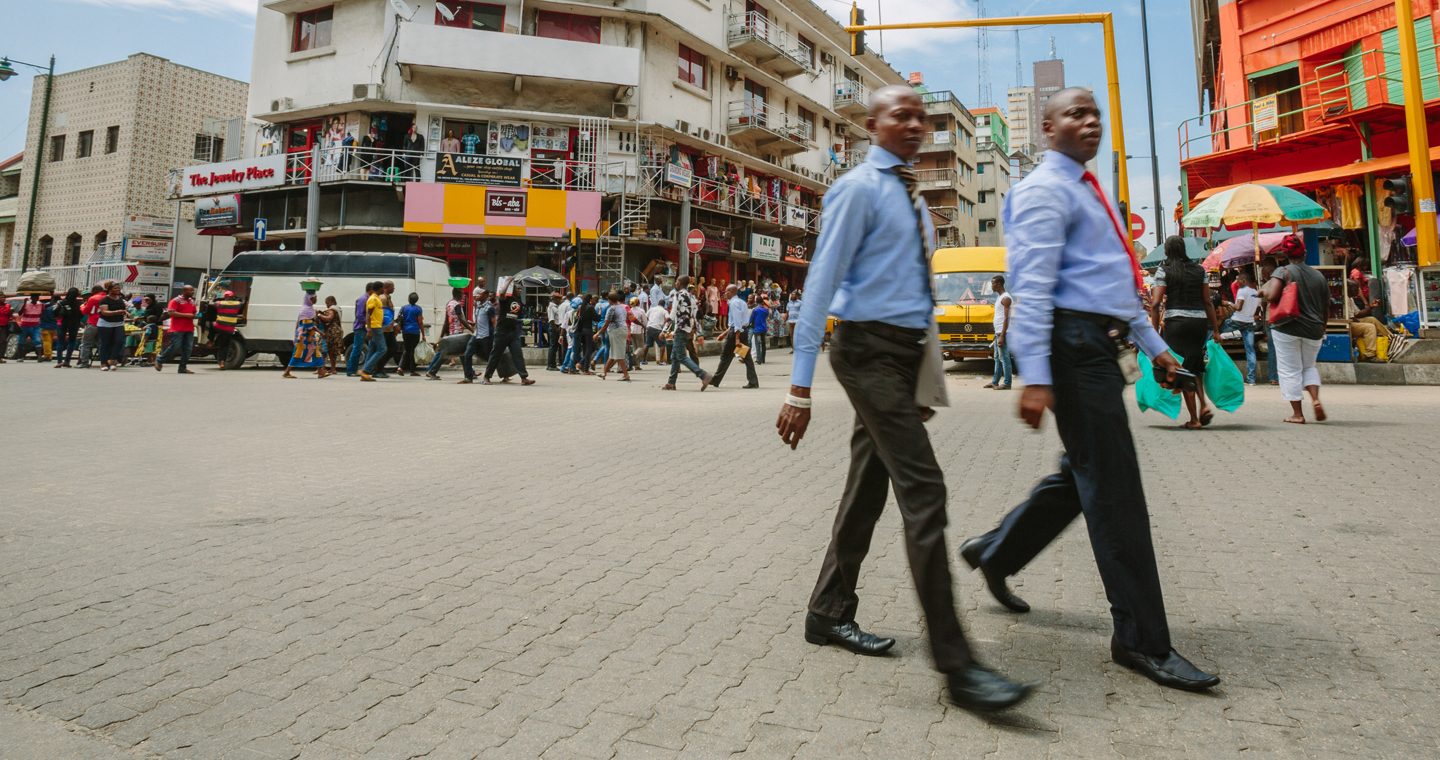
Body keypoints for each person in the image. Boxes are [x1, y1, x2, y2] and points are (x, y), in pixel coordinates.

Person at [775, 85, 1030, 712]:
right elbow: (819, 289)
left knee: (869, 484)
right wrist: (798, 388)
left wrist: (924, 376)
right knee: (926, 491)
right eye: (901, 116)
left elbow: (915, 294)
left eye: (921, 117)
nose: (914, 125)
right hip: (863, 354)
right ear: (873, 126)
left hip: (901, 356)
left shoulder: (915, 203)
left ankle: (827, 612)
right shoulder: (857, 191)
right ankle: (959, 668)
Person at [958, 88, 1219, 693]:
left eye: (1094, 111)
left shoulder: (1087, 192)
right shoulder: (1044, 191)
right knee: (1116, 494)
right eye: (1075, 113)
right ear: (1047, 128)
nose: (1090, 121)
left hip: (1096, 343)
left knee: (1084, 476)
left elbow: (1113, 287)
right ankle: (1141, 641)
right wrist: (1035, 377)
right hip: (1071, 349)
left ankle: (996, 553)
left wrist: (1159, 352)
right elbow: (1031, 282)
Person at [1151, 235, 1222, 429]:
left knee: (1182, 368)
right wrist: (1215, 330)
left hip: (1176, 324)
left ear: (1167, 251)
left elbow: (1156, 303)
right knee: (1195, 364)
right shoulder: (1199, 270)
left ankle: (1194, 419)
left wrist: (1155, 332)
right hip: (1199, 323)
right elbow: (1208, 302)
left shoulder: (1163, 270)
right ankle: (1204, 405)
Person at [1264, 243, 1330, 423]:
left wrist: (1264, 291)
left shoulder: (1282, 271)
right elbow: (1325, 306)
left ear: (1285, 254)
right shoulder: (1318, 275)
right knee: (1309, 366)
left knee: (1289, 369)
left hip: (1287, 327)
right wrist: (1322, 327)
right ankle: (1315, 399)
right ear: (1305, 252)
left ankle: (1297, 414)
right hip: (1314, 329)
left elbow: (1272, 296)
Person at [661, 275, 712, 391]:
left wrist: (664, 330)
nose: (676, 283)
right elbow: (695, 316)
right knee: (674, 356)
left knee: (681, 356)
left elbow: (672, 314)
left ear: (680, 283)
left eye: (677, 281)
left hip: (680, 328)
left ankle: (703, 375)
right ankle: (671, 383)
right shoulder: (692, 296)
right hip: (689, 328)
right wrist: (699, 332)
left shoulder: (677, 295)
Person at [482, 283, 536, 386]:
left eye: (521, 289)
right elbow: (501, 293)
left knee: (518, 354)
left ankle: (524, 378)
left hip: (513, 331)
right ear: (512, 289)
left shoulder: (519, 301)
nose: (520, 290)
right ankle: (487, 377)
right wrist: (508, 281)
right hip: (502, 331)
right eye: (517, 288)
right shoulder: (505, 299)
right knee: (495, 355)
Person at [708, 284, 758, 389]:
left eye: (727, 291)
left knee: (725, 356)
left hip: (736, 334)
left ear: (731, 292)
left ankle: (715, 380)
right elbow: (736, 323)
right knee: (746, 357)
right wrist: (724, 333)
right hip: (742, 332)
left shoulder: (734, 303)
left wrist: (736, 338)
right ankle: (753, 381)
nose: (725, 293)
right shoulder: (742, 302)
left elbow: (737, 322)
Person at [154, 284, 199, 374]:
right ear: (184, 291)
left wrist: (196, 315)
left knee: (188, 349)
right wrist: (187, 315)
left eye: (193, 290)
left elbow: (193, 313)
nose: (192, 292)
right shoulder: (175, 300)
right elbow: (171, 313)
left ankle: (182, 367)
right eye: (190, 290)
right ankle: (160, 360)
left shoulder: (192, 301)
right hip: (177, 328)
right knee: (175, 347)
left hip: (189, 328)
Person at [282, 289, 326, 379]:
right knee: (298, 354)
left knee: (315, 353)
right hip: (305, 338)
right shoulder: (306, 310)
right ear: (309, 299)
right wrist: (315, 333)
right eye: (314, 298)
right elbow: (307, 324)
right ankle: (287, 371)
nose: (316, 299)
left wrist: (318, 332)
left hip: (308, 337)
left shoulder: (309, 309)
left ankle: (321, 372)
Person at [1347, 280, 1394, 362]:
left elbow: (1357, 314)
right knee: (1369, 327)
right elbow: (1353, 318)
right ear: (1349, 288)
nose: (1358, 291)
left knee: (1372, 319)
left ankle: (1390, 337)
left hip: (1353, 321)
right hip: (1348, 324)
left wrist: (1371, 306)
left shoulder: (1350, 299)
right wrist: (1362, 322)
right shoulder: (1346, 299)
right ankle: (1370, 355)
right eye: (1355, 289)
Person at [1228, 269, 1261, 384]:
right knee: (1250, 350)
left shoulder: (1242, 291)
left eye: (1238, 281)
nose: (1237, 283)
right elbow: (1257, 311)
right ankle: (1251, 379)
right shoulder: (1257, 293)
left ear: (1243, 280)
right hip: (1249, 322)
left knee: (1215, 331)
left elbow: (1238, 307)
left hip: (1237, 320)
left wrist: (1228, 303)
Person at [458, 288, 493, 383]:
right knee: (467, 354)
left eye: (479, 294)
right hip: (476, 335)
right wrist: (474, 324)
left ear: (485, 295)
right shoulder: (478, 306)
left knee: (489, 357)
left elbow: (493, 322)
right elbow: (480, 320)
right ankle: (468, 377)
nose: (477, 296)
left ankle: (490, 376)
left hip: (485, 336)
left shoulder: (489, 307)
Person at [985, 275, 1014, 390]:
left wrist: (1002, 335)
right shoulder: (1000, 297)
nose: (991, 285)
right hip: (998, 333)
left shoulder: (1006, 298)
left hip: (1003, 333)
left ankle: (1007, 383)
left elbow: (1007, 318)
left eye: (993, 283)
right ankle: (995, 382)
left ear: (999, 284)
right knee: (997, 358)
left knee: (1004, 358)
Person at [596, 292, 632, 381]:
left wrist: (597, 333)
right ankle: (604, 373)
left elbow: (606, 324)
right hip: (622, 330)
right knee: (612, 354)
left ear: (609, 300)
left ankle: (626, 375)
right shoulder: (623, 307)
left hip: (616, 331)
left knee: (619, 355)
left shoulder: (612, 309)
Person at [94, 283, 129, 371]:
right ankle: (103, 363)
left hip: (119, 323)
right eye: (115, 288)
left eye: (119, 288)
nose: (118, 290)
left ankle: (112, 360)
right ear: (110, 290)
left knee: (119, 341)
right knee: (105, 343)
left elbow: (123, 309)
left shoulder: (120, 299)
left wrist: (126, 313)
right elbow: (104, 312)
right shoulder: (105, 300)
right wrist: (117, 312)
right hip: (105, 323)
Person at [358, 281, 388, 381]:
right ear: (379, 288)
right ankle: (366, 370)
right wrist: (369, 329)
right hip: (374, 327)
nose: (384, 290)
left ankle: (365, 373)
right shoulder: (373, 299)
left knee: (372, 349)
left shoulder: (377, 298)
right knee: (382, 349)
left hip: (377, 326)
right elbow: (368, 315)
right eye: (383, 288)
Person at [346, 282, 376, 377]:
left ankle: (365, 369)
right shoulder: (364, 299)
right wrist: (368, 325)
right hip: (360, 327)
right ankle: (351, 370)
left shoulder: (367, 299)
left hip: (363, 327)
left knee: (361, 348)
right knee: (357, 348)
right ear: (371, 290)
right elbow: (359, 315)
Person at [77, 284, 107, 368]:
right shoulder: (108, 298)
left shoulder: (93, 298)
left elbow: (85, 311)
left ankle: (84, 362)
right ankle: (104, 362)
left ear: (94, 291)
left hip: (92, 323)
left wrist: (82, 306)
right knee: (101, 344)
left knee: (86, 343)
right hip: (104, 324)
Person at [212, 290, 243, 369]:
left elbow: (213, 303)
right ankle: (222, 362)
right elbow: (241, 302)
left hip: (219, 327)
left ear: (225, 297)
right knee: (225, 345)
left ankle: (210, 340)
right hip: (229, 329)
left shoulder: (220, 303)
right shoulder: (237, 304)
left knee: (211, 324)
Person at [53, 288, 84, 368]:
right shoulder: (78, 304)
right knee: (72, 341)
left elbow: (54, 313)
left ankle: (59, 361)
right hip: (74, 324)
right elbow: (81, 315)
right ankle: (67, 361)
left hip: (62, 323)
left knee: (60, 341)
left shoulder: (61, 302)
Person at [316, 295, 345, 376]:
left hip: (332, 331)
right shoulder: (338, 308)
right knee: (333, 351)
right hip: (337, 330)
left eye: (327, 303)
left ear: (331, 301)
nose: (326, 305)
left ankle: (331, 369)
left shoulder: (332, 309)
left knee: (330, 350)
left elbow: (329, 318)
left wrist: (319, 315)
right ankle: (333, 369)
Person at [398, 291, 426, 376]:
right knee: (413, 351)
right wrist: (423, 334)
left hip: (405, 331)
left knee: (406, 349)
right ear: (417, 300)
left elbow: (399, 319)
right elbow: (420, 322)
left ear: (408, 299)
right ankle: (412, 371)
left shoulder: (403, 308)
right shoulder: (418, 309)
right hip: (414, 332)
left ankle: (400, 367)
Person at [14, 293, 44, 361]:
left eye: (37, 297)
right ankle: (20, 357)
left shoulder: (41, 304)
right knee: (21, 341)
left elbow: (42, 312)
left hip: (35, 326)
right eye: (34, 297)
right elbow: (19, 313)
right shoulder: (26, 303)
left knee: (37, 341)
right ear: (31, 297)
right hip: (24, 326)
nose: (36, 299)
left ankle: (39, 356)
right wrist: (24, 304)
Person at [573, 294, 597, 375]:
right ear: (590, 299)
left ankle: (583, 367)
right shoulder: (590, 307)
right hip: (588, 330)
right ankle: (583, 366)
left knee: (585, 349)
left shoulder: (581, 307)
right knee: (590, 348)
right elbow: (596, 318)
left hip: (580, 330)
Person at [643, 297, 668, 364]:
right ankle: (661, 361)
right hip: (657, 329)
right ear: (664, 305)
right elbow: (668, 319)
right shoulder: (664, 311)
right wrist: (664, 328)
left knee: (647, 344)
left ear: (658, 303)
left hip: (649, 327)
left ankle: (643, 360)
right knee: (662, 345)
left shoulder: (652, 309)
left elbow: (646, 316)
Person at [546, 291, 566, 371]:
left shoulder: (557, 306)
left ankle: (556, 363)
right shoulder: (551, 307)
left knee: (557, 346)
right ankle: (551, 365)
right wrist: (556, 329)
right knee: (553, 347)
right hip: (554, 327)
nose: (560, 300)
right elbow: (551, 320)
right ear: (554, 299)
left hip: (557, 327)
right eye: (558, 298)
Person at [749, 297, 770, 365]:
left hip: (757, 329)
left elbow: (751, 319)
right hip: (764, 328)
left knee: (758, 344)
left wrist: (749, 324)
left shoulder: (755, 310)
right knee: (763, 344)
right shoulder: (766, 310)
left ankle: (758, 359)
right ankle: (763, 359)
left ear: (756, 301)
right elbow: (766, 317)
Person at [39, 295, 57, 361]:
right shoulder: (57, 307)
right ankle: (49, 355)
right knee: (50, 342)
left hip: (45, 326)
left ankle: (48, 356)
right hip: (54, 327)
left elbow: (40, 316)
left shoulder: (45, 308)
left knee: (47, 342)